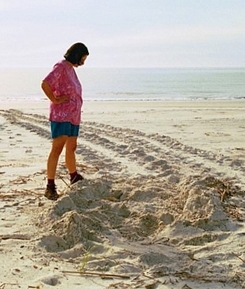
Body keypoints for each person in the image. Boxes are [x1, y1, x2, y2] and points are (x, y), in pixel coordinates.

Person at [41, 42, 89, 200]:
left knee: (72, 147)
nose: (83, 61)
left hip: (73, 116)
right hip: (61, 115)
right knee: (57, 148)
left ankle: (74, 176)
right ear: (77, 54)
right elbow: (45, 83)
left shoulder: (72, 70)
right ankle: (50, 186)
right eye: (83, 58)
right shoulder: (61, 66)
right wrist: (55, 99)